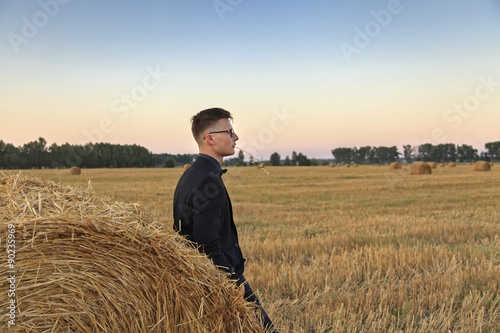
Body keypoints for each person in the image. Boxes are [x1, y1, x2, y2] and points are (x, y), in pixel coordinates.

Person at [173, 107, 276, 332]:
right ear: (210, 139)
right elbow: (205, 242)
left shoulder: (190, 174)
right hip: (218, 279)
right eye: (229, 132)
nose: (236, 138)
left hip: (198, 279)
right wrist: (233, 280)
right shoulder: (209, 181)